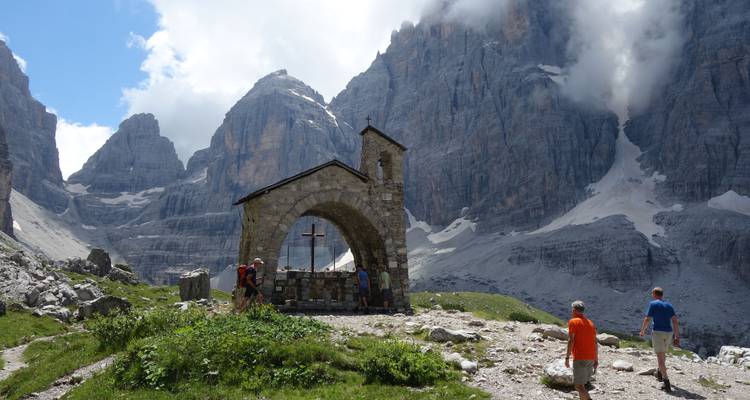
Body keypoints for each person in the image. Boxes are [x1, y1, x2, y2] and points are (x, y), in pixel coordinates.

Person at [639, 287, 680, 393]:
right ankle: (660, 373)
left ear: (654, 294)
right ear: (662, 294)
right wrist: (676, 336)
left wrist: (642, 330)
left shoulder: (653, 304)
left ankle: (666, 383)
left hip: (658, 332)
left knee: (660, 357)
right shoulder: (669, 305)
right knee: (663, 354)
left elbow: (647, 318)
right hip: (669, 333)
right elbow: (675, 321)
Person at [565, 300, 598, 400]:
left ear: (574, 310)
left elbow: (571, 340)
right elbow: (595, 343)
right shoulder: (590, 323)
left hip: (580, 357)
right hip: (591, 358)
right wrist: (596, 360)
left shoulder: (573, 321)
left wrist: (567, 357)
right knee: (582, 385)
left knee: (578, 386)